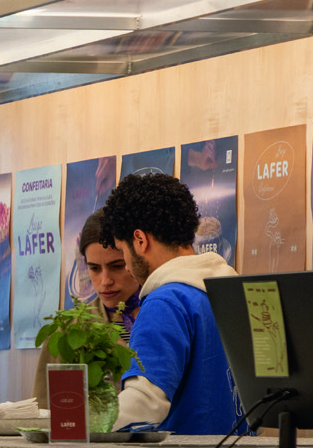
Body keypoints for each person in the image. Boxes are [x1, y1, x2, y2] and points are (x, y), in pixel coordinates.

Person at [101, 174, 242, 434]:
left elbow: (143, 404)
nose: (128, 266)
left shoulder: (166, 303)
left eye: (122, 252)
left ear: (140, 240)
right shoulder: (230, 292)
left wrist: (76, 424)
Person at [32, 211, 143, 403]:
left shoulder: (165, 314)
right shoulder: (68, 329)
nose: (105, 281)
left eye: (117, 266)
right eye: (95, 268)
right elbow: (46, 409)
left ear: (136, 259)